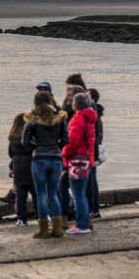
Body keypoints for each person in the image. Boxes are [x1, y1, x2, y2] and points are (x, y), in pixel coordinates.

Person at [22, 91, 68, 239]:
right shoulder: (60, 118)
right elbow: (65, 140)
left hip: (39, 158)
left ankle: (43, 230)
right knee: (53, 194)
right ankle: (58, 228)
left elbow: (25, 142)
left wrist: (35, 148)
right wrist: (56, 148)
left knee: (41, 194)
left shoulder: (32, 120)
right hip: (56, 158)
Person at [62, 92, 97, 234]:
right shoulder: (90, 118)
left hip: (77, 160)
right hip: (87, 159)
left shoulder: (78, 118)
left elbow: (73, 140)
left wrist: (64, 152)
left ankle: (82, 225)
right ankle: (85, 222)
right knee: (81, 193)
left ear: (76, 104)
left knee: (78, 194)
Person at [8, 113, 36, 226]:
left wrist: (12, 167)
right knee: (36, 193)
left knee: (21, 195)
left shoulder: (12, 138)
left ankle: (21, 219)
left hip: (18, 167)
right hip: (31, 165)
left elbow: (11, 154)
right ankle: (40, 215)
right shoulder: (30, 137)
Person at [87, 88, 104, 218]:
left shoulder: (93, 114)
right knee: (92, 180)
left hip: (90, 152)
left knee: (91, 180)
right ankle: (94, 208)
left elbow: (98, 136)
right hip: (92, 151)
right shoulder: (95, 114)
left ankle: (92, 209)